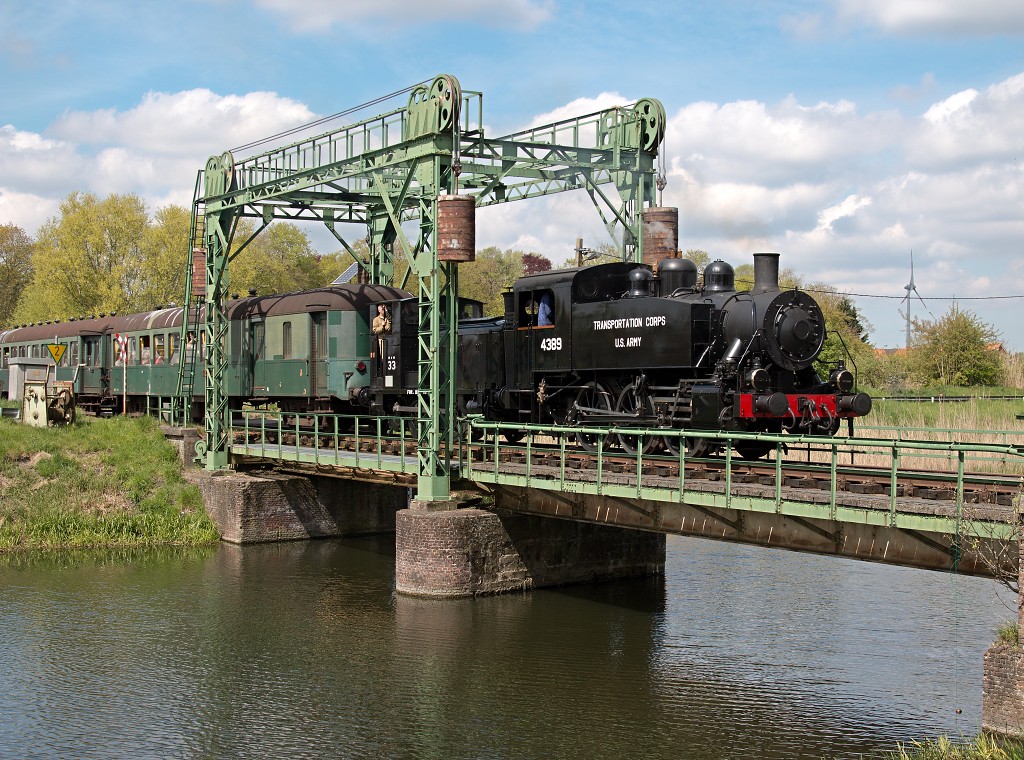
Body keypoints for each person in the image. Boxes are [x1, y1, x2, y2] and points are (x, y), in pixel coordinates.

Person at [372, 304, 391, 376]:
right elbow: (375, 331)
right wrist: (382, 326)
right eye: (383, 310)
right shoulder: (376, 320)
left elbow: (389, 328)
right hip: (381, 339)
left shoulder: (388, 318)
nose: (384, 311)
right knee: (383, 356)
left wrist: (386, 326)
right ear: (379, 310)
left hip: (389, 338)